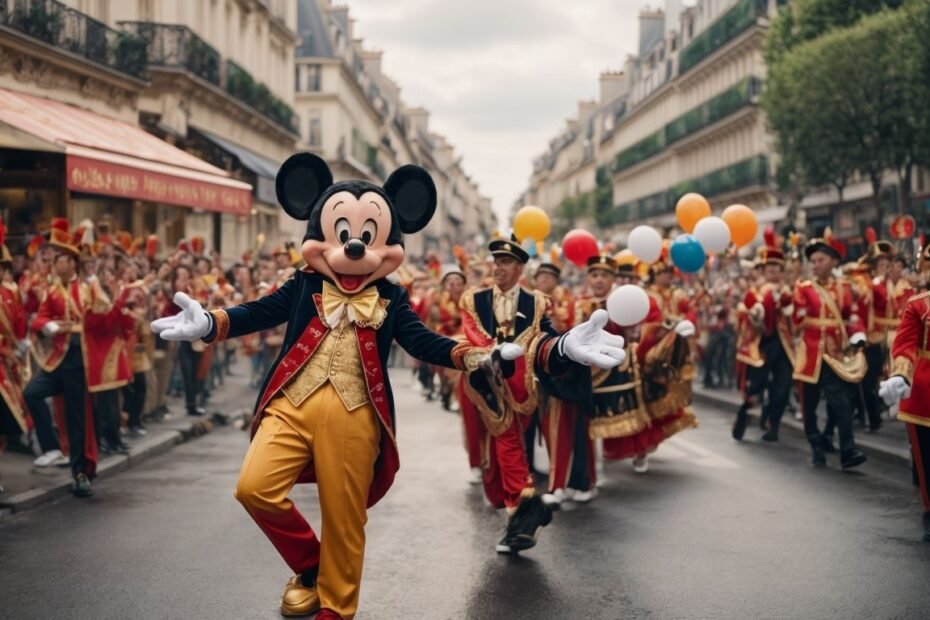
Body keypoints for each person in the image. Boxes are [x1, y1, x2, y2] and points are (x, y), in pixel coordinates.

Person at [153, 154, 626, 618]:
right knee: (253, 487)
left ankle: (336, 608)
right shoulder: (303, 286)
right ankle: (312, 566)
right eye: (343, 235)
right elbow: (256, 312)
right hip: (290, 406)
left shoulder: (392, 298)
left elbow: (425, 343)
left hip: (356, 415)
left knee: (344, 518)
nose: (354, 248)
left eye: (367, 236)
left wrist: (496, 353)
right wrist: (210, 323)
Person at [459, 238, 624, 553]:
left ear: (520, 268)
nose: (498, 267)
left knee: (510, 446)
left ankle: (522, 511)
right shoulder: (474, 298)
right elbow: (472, 332)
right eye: (496, 261)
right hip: (485, 384)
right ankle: (516, 503)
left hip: (524, 388)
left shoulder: (536, 303)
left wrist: (563, 347)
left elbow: (543, 340)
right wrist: (494, 351)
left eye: (506, 262)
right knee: (495, 460)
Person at [792, 233, 868, 468]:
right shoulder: (803, 288)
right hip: (811, 354)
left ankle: (847, 450)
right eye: (813, 261)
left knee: (842, 401)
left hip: (835, 355)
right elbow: (797, 319)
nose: (816, 265)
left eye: (820, 260)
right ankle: (815, 442)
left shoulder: (844, 287)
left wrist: (857, 334)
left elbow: (852, 315)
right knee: (809, 404)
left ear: (833, 261)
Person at [880, 243, 930, 542]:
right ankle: (929, 509)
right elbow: (905, 345)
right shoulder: (918, 304)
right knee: (926, 458)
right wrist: (901, 372)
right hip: (925, 391)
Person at [733, 230, 795, 441]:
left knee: (782, 388)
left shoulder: (789, 291)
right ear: (763, 270)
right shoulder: (754, 292)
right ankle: (743, 413)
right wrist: (758, 310)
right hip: (761, 345)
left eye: (777, 268)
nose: (774, 272)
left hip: (784, 345)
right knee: (756, 386)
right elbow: (748, 315)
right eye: (770, 268)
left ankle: (773, 425)